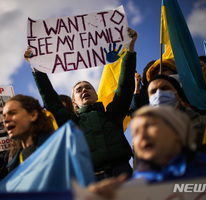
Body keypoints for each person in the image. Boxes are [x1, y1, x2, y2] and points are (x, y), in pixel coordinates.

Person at [25, 28, 138, 181]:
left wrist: (130, 49)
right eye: (79, 90)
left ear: (96, 95)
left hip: (124, 175)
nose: (84, 90)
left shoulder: (112, 113)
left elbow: (125, 87)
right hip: (90, 181)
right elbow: (51, 100)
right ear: (74, 103)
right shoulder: (71, 123)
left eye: (88, 87)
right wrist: (36, 67)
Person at [88, 106, 206, 199]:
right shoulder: (129, 189)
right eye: (136, 132)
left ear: (176, 132)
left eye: (149, 126)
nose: (142, 136)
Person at [147, 74, 206, 149]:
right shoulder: (144, 136)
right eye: (153, 91)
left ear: (178, 95)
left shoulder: (205, 123)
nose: (159, 94)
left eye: (165, 88)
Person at [3, 94, 55, 172]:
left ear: (33, 115)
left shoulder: (57, 148)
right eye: (4, 116)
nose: (5, 120)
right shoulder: (14, 163)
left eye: (12, 113)